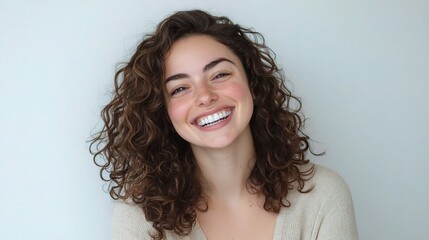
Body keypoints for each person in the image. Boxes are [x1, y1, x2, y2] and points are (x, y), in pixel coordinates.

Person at [90, 9, 358, 240]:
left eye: (219, 74)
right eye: (180, 88)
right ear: (162, 112)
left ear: (252, 83)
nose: (205, 96)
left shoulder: (322, 195)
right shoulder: (141, 216)